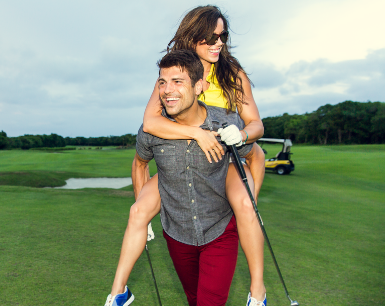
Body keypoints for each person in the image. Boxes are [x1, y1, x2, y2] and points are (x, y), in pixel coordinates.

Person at [105, 5, 267, 306]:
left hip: (225, 154)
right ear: (192, 38)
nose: (218, 43)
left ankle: (258, 291)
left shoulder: (233, 74)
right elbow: (151, 123)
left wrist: (242, 135)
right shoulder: (175, 75)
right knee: (138, 212)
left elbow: (256, 124)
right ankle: (118, 293)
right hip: (182, 157)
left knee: (245, 204)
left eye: (222, 36)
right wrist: (196, 133)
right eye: (210, 37)